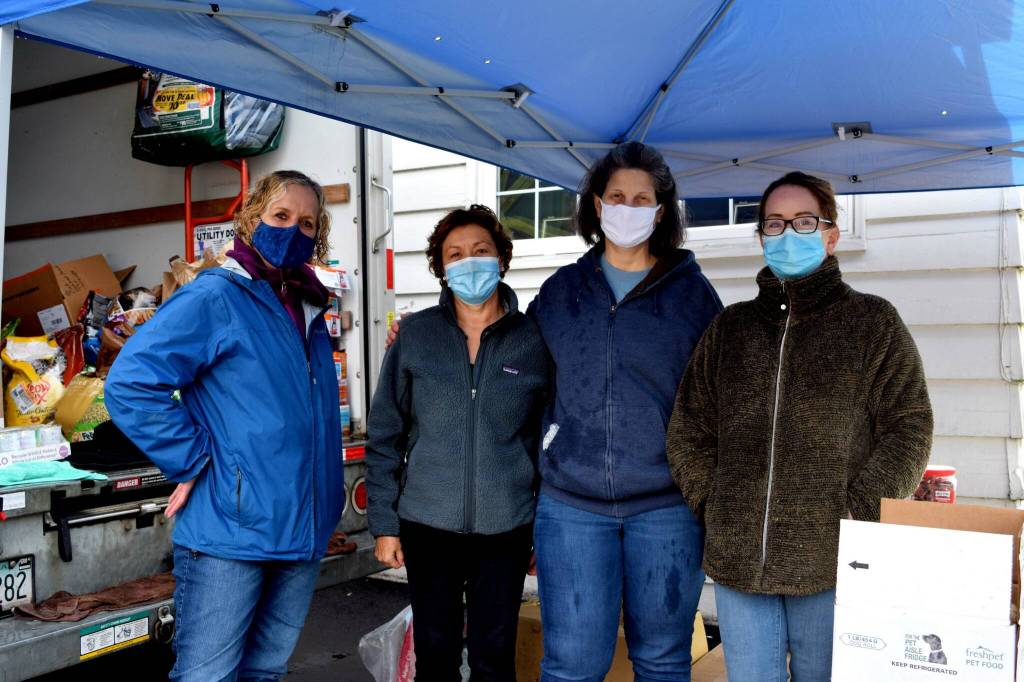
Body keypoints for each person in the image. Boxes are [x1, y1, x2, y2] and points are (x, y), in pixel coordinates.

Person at [666, 171, 933, 681]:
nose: (789, 233)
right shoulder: (731, 328)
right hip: (740, 557)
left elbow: (910, 426)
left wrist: (861, 509)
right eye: (775, 223)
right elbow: (689, 425)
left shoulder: (871, 323)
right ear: (762, 236)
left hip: (832, 559)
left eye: (804, 221)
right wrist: (711, 499)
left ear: (831, 234)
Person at [106, 170, 344, 681]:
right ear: (252, 218)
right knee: (207, 676)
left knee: (265, 672)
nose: (292, 231)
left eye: (306, 223)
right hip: (232, 531)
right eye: (280, 216)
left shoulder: (307, 304)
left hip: (301, 528)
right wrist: (192, 460)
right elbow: (130, 383)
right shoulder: (217, 296)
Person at [527, 142, 721, 682]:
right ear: (595, 204)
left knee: (661, 662)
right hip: (572, 506)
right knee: (571, 666)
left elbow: (718, 404)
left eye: (642, 199)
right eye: (617, 196)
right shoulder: (561, 292)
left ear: (660, 212)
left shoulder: (693, 298)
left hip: (667, 508)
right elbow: (525, 384)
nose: (628, 207)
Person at [366, 205, 549, 682]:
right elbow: (385, 433)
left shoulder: (533, 339)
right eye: (455, 254)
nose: (469, 263)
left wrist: (540, 524)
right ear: (441, 268)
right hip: (428, 522)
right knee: (436, 654)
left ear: (502, 259)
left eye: (481, 251)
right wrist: (385, 524)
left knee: (494, 657)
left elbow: (543, 439)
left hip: (506, 526)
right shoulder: (416, 335)